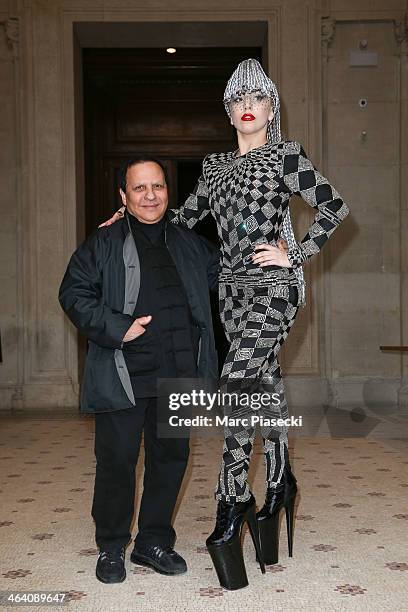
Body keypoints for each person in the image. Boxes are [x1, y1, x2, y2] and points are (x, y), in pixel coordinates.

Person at [101, 58, 350, 590]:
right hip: (231, 295)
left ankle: (231, 503)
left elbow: (334, 206)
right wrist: (129, 214)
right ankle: (281, 482)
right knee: (262, 383)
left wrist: (296, 253)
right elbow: (180, 219)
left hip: (274, 288)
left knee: (237, 383)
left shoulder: (286, 156)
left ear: (270, 107)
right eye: (237, 100)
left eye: (256, 98)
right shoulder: (214, 169)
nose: (246, 107)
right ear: (229, 110)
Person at [59, 157, 219, 584]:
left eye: (158, 187)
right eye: (140, 188)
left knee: (171, 460)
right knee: (117, 463)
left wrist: (278, 253)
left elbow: (229, 278)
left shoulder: (189, 242)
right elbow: (73, 293)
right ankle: (111, 547)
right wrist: (118, 327)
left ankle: (152, 542)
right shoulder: (103, 242)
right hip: (123, 373)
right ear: (124, 196)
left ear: (168, 191)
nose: (150, 196)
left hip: (177, 371)